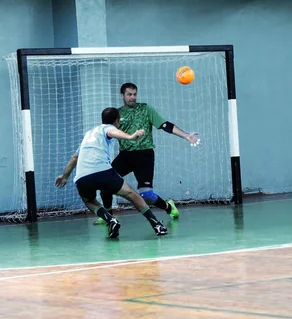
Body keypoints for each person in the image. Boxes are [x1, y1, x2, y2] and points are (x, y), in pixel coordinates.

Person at [93, 82, 200, 225]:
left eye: (134, 94)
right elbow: (108, 132)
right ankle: (108, 216)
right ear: (122, 96)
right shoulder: (117, 114)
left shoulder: (145, 109)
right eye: (129, 94)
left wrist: (186, 136)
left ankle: (169, 207)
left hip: (144, 155)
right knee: (105, 184)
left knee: (147, 195)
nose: (132, 97)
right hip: (125, 156)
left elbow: (165, 125)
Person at [55, 107, 168, 238]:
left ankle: (110, 220)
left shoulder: (89, 134)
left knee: (89, 200)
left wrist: (64, 176)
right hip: (102, 171)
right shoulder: (108, 128)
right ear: (116, 121)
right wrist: (131, 137)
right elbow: (114, 133)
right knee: (131, 194)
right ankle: (156, 225)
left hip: (82, 178)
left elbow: (75, 157)